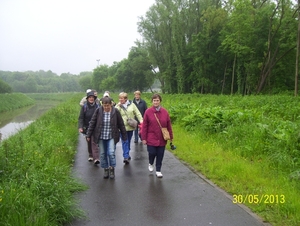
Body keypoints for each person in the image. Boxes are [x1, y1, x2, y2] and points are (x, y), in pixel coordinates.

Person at [86, 96, 127, 179]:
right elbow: (92, 123)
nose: (106, 107)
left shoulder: (115, 111)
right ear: (102, 105)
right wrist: (88, 135)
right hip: (101, 136)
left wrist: (124, 136)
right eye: (104, 105)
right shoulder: (98, 111)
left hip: (111, 136)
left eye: (108, 105)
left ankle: (112, 168)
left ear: (111, 104)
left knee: (111, 153)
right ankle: (105, 168)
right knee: (102, 154)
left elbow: (121, 124)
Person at [141, 94, 173, 178]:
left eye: (157, 100)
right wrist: (143, 138)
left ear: (160, 101)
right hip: (151, 137)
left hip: (162, 138)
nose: (156, 102)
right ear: (152, 101)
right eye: (154, 100)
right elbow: (144, 126)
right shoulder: (148, 111)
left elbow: (169, 125)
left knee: (160, 154)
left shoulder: (165, 112)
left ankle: (158, 170)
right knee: (152, 152)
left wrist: (171, 136)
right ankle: (151, 163)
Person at [115, 92, 143, 164]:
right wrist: (118, 106)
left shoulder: (132, 105)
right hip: (122, 127)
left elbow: (138, 113)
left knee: (128, 141)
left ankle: (127, 153)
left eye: (121, 98)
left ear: (126, 99)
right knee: (125, 141)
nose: (120, 99)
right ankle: (126, 156)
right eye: (119, 98)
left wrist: (141, 121)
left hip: (130, 127)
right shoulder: (118, 106)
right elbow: (114, 113)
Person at [78, 91, 100, 163]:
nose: (91, 99)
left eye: (92, 97)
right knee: (89, 141)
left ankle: (96, 158)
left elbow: (100, 116)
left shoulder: (97, 106)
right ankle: (90, 155)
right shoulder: (84, 107)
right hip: (87, 127)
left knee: (94, 142)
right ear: (87, 99)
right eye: (90, 97)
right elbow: (81, 118)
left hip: (95, 127)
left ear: (94, 98)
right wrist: (80, 127)